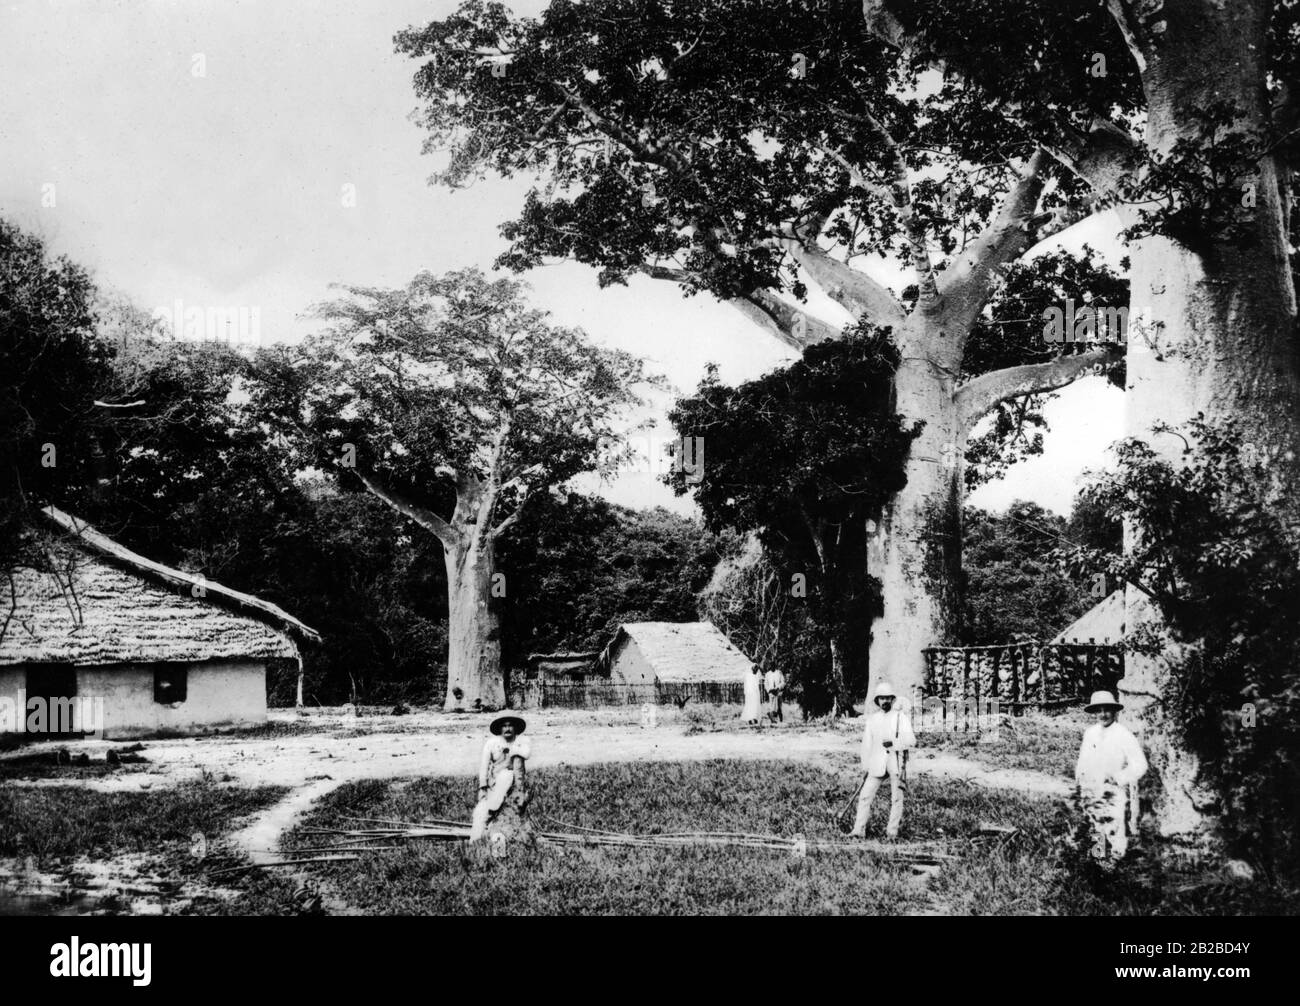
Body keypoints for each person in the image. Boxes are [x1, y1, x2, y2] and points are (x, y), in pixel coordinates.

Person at [1074, 690, 1147, 864]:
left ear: (1114, 711)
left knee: (1114, 827)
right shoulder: (1090, 733)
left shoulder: (1123, 734)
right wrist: (1080, 780)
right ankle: (1099, 864)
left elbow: (1140, 764)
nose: (1103, 714)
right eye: (1099, 711)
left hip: (1113, 791)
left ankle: (1116, 864)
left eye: (1107, 710)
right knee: (1096, 826)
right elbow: (1083, 760)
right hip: (1092, 789)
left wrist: (1118, 777)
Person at [850, 681, 916, 840]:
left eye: (888, 698)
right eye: (882, 698)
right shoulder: (872, 719)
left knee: (896, 798)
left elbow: (912, 740)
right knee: (865, 795)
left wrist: (895, 744)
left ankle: (892, 833)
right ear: (877, 701)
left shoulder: (901, 717)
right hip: (877, 764)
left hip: (896, 763)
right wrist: (865, 765)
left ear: (892, 699)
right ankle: (858, 831)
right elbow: (867, 745)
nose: (885, 701)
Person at [470, 714, 531, 842]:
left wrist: (513, 749)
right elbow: (484, 766)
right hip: (494, 784)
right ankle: (476, 839)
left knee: (507, 774)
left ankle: (499, 827)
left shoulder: (521, 741)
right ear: (500, 729)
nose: (507, 729)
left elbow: (526, 753)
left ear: (515, 728)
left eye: (510, 726)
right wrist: (483, 787)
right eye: (504, 726)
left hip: (511, 784)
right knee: (481, 812)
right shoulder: (492, 743)